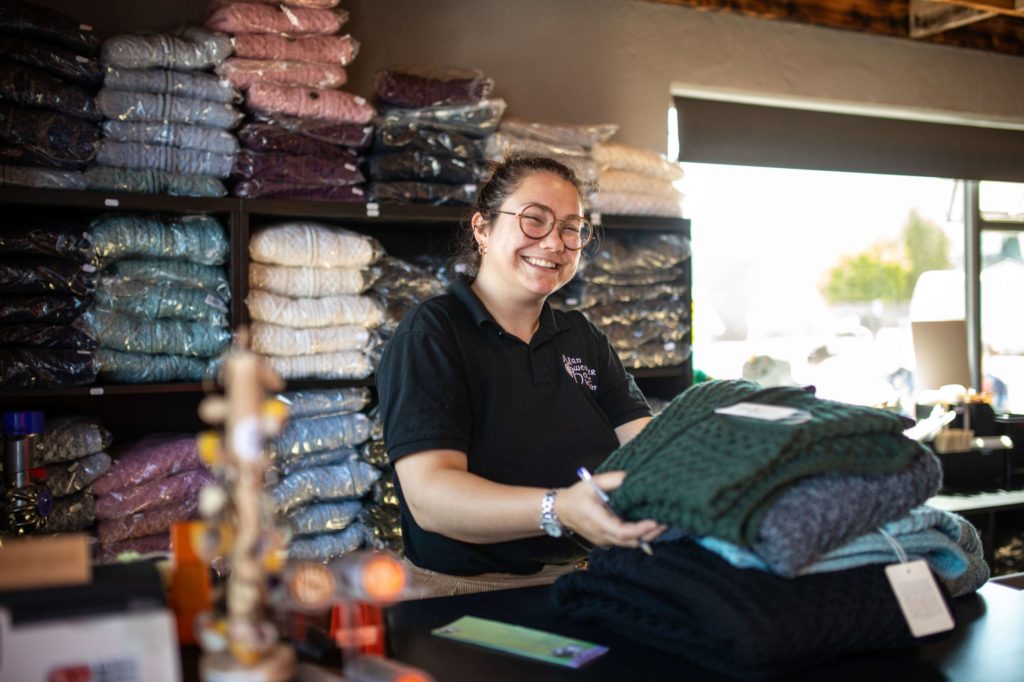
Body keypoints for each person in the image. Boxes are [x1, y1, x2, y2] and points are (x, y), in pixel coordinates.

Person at [376, 155, 664, 597]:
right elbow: (432, 498)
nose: (555, 243)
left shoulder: (581, 337)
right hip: (466, 593)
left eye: (572, 228)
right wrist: (560, 508)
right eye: (535, 220)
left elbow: (648, 447)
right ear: (483, 229)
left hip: (585, 579)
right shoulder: (432, 334)